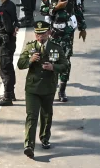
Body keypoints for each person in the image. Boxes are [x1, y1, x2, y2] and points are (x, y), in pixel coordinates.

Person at [18, 22, 67, 157]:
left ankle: (45, 138)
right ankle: (29, 145)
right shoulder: (30, 47)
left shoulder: (55, 48)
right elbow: (20, 64)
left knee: (46, 114)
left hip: (48, 87)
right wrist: (30, 60)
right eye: (37, 34)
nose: (40, 37)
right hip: (32, 88)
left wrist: (53, 67)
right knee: (31, 116)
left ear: (49, 33)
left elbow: (65, 65)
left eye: (43, 34)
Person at [39, 0, 86, 103]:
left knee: (66, 60)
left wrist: (82, 27)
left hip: (67, 33)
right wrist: (55, 8)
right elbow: (42, 9)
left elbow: (78, 9)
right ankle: (51, 87)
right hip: (54, 33)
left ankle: (62, 90)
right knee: (53, 59)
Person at [0, 0, 19, 106]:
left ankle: (7, 97)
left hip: (5, 43)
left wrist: (10, 30)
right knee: (9, 68)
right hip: (10, 42)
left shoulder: (3, 9)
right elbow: (15, 22)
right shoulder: (11, 5)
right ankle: (10, 92)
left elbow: (8, 28)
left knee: (5, 69)